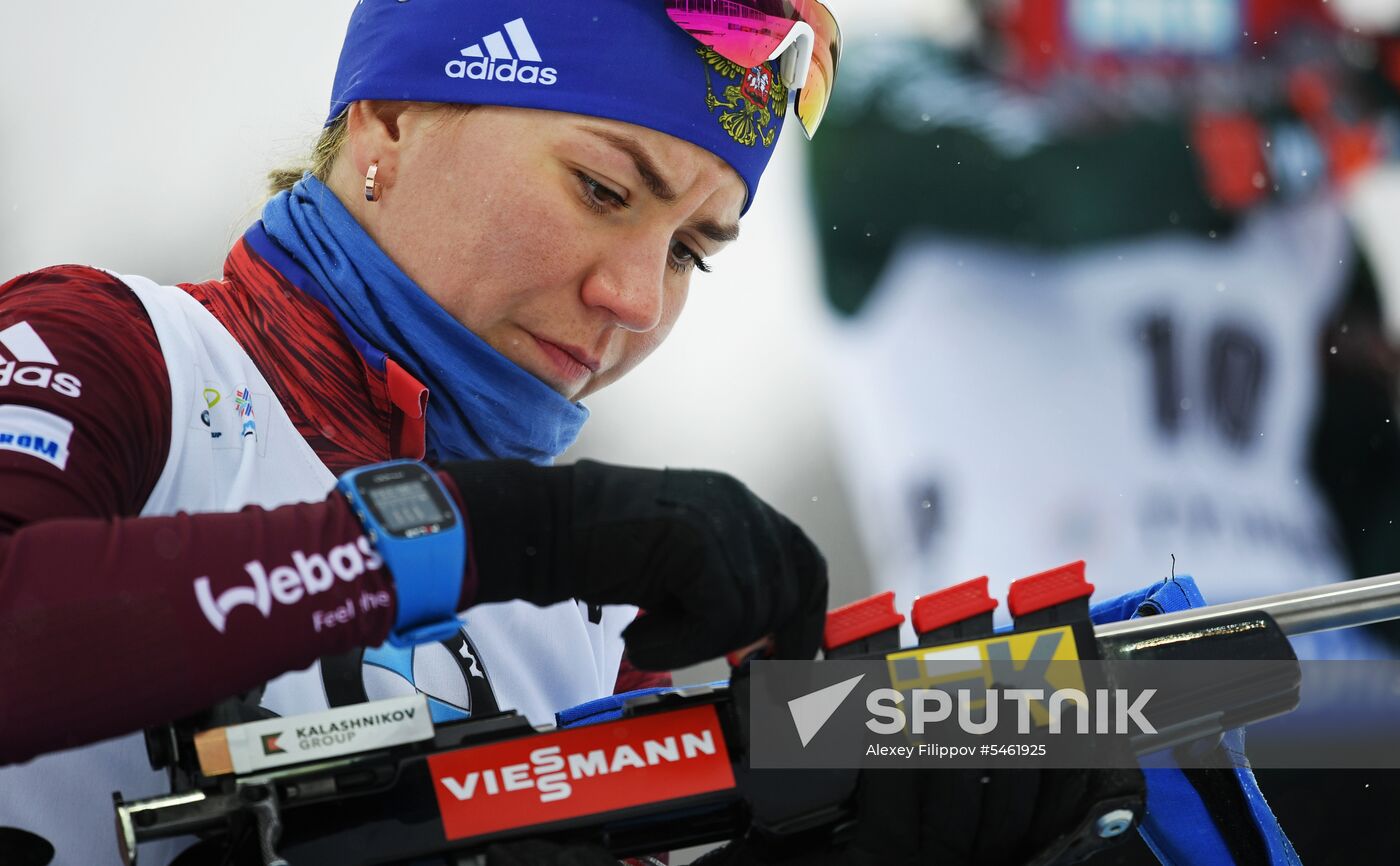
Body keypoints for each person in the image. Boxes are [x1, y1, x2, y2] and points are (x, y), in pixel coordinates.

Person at [0, 3, 1129, 866]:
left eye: (691, 250)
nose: (638, 296)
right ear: (391, 117)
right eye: (600, 189)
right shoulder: (122, 353)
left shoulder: (583, 620)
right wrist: (479, 532)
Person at [806, 0, 1400, 860]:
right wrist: (1312, 124)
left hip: (1312, 667)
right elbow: (1069, 191)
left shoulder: (1300, 200)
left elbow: (1367, 480)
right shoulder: (889, 92)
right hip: (1011, 676)